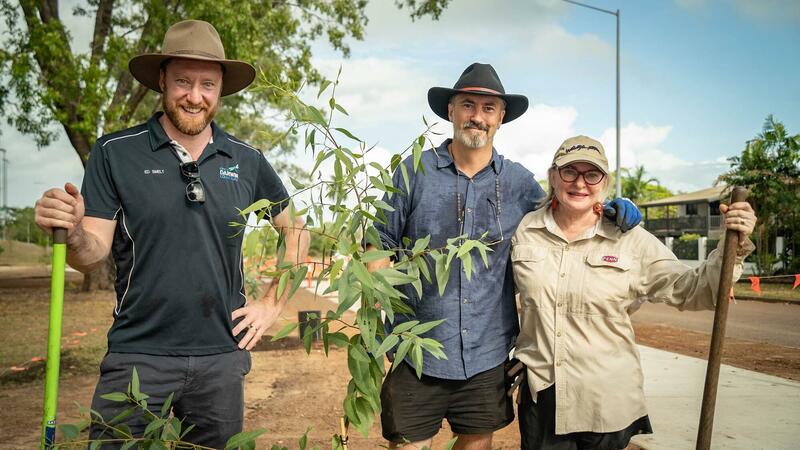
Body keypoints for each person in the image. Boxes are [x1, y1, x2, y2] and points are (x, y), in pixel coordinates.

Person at [33, 20, 309, 447]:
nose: (194, 96)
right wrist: (70, 234)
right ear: (161, 80)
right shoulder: (114, 152)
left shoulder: (247, 159)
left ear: (221, 90)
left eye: (207, 85)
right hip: (136, 355)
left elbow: (296, 232)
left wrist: (271, 305)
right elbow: (91, 252)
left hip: (220, 356)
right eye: (182, 81)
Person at [369, 63, 642, 450]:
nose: (477, 116)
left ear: (500, 119)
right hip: (416, 350)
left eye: (488, 108)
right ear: (450, 111)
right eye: (467, 105)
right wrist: (379, 315)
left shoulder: (519, 184)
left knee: (478, 443)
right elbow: (378, 239)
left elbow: (565, 213)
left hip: (487, 353)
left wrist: (608, 206)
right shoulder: (414, 172)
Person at [510, 135, 756, 450]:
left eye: (592, 174)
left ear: (605, 182)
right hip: (541, 396)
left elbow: (693, 290)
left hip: (607, 399)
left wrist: (732, 245)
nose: (580, 183)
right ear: (553, 176)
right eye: (570, 171)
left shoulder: (631, 240)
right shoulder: (526, 231)